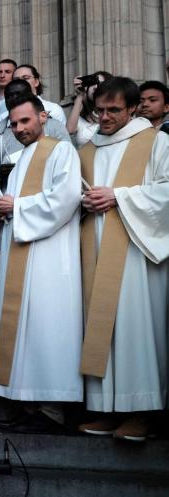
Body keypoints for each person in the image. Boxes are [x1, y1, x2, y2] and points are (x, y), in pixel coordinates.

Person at [75, 77, 168, 442]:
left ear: (133, 109)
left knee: (134, 329)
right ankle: (107, 410)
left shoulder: (156, 143)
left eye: (114, 110)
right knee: (104, 332)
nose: (105, 117)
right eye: (100, 110)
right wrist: (82, 202)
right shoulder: (86, 150)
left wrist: (119, 196)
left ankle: (141, 412)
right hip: (94, 250)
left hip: (135, 256)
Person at [0, 95, 84, 434]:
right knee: (26, 331)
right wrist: (0, 209)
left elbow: (67, 198)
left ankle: (52, 408)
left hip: (50, 258)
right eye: (13, 124)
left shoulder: (61, 150)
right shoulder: (19, 158)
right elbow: (11, 204)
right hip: (20, 254)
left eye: (25, 121)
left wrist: (18, 206)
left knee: (45, 327)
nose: (19, 128)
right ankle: (25, 402)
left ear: (43, 117)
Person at [0, 79, 71, 188]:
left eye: (19, 94)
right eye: (10, 96)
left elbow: (68, 161)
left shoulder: (54, 126)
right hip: (6, 198)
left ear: (30, 96)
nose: (14, 98)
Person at [67, 72, 112, 148]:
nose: (95, 87)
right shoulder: (81, 116)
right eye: (92, 83)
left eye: (99, 83)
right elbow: (70, 130)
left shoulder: (114, 113)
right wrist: (80, 95)